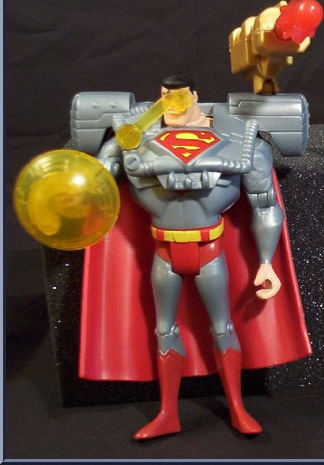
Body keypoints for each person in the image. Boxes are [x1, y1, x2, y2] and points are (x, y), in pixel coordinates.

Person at [94, 75, 295, 439]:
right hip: (163, 253)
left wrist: (266, 262)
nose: (173, 104)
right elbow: (95, 186)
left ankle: (237, 408)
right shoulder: (129, 138)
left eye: (181, 96)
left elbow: (265, 205)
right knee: (164, 329)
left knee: (222, 327)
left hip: (209, 252)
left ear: (195, 96)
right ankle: (167, 413)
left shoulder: (240, 140)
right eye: (166, 96)